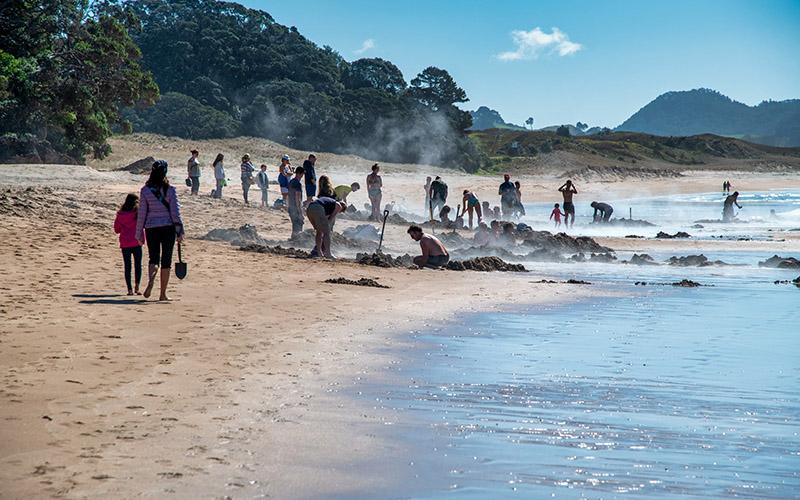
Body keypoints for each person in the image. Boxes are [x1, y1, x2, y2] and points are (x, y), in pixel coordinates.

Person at [135, 160, 184, 301]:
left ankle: (151, 279)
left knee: (153, 257)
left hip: (151, 227)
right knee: (166, 260)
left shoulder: (145, 191)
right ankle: (162, 294)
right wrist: (180, 231)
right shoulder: (171, 190)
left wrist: (138, 233)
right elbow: (175, 213)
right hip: (168, 228)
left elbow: (142, 213)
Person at [114, 193, 143, 295]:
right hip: (136, 241)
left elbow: (117, 230)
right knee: (138, 265)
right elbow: (143, 225)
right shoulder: (138, 213)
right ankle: (137, 287)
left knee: (127, 266)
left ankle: (129, 289)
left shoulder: (120, 214)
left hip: (125, 242)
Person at [287, 166, 305, 237]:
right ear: (300, 174)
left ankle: (293, 240)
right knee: (299, 224)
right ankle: (296, 241)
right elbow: (298, 198)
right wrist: (300, 211)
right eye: (302, 174)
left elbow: (288, 195)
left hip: (291, 206)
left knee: (294, 225)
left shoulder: (291, 182)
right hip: (295, 207)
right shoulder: (298, 184)